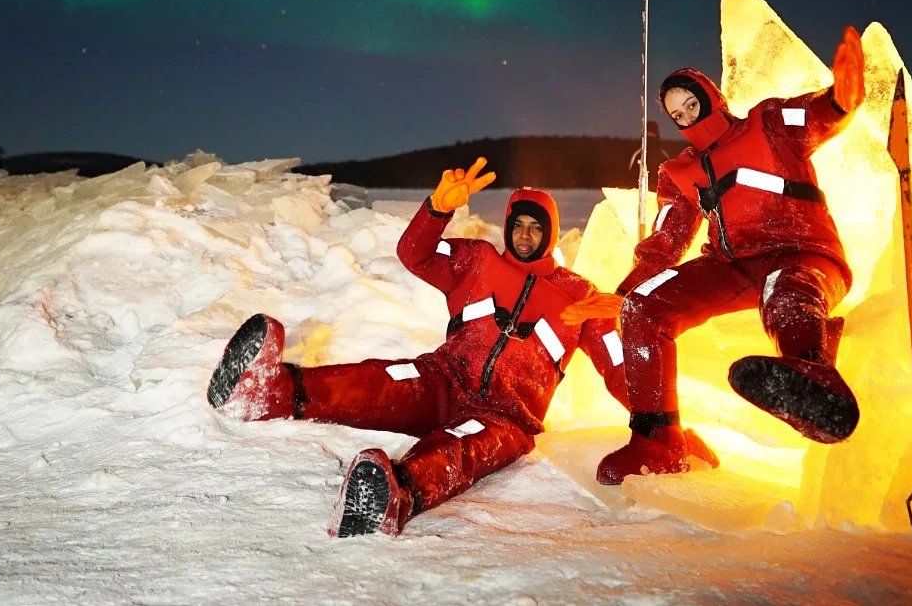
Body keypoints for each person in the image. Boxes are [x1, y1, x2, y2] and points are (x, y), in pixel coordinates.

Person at [207, 157, 633, 537]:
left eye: (536, 227)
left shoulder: (580, 296)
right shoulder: (477, 260)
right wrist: (438, 209)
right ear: (507, 226)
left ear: (551, 233)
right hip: (442, 378)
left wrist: (657, 423)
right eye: (519, 225)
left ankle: (396, 495)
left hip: (505, 417)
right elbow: (415, 253)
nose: (525, 235)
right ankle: (266, 390)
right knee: (378, 380)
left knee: (461, 449)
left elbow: (619, 367)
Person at [566, 27, 865, 483]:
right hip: (732, 264)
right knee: (644, 309)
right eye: (677, 114)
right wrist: (626, 293)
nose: (686, 116)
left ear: (711, 97)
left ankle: (811, 379)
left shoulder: (769, 124)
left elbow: (822, 114)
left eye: (691, 104)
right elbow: (666, 240)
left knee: (785, 289)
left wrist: (843, 95)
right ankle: (658, 442)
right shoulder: (680, 172)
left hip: (804, 253)